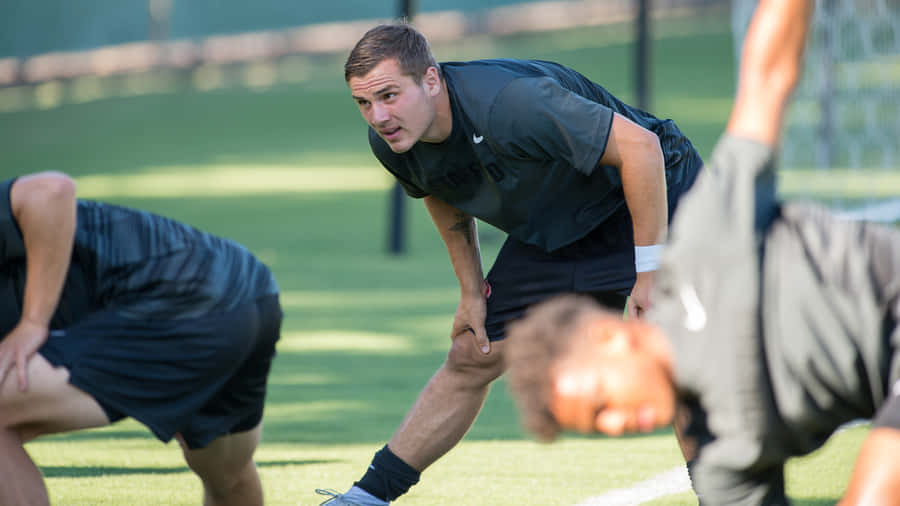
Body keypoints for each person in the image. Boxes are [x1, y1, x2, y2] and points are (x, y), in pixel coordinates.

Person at [504, 0, 900, 503]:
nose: (619, 426)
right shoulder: (719, 458)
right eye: (600, 428)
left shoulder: (703, 249)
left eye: (602, 405)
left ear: (611, 338)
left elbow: (767, 82)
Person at [319, 19, 704, 506]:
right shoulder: (395, 140)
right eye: (364, 103)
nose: (377, 115)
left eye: (389, 95)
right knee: (472, 353)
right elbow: (438, 187)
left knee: (674, 354)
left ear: (431, 80)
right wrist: (469, 289)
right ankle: (366, 498)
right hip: (560, 223)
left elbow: (640, 149)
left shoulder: (510, 103)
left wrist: (651, 275)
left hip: (655, 194)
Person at [0, 171, 283, 506]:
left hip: (181, 300)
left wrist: (33, 322)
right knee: (226, 473)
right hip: (250, 289)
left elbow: (50, 190)